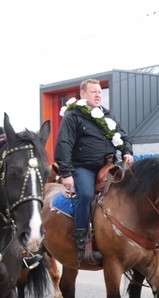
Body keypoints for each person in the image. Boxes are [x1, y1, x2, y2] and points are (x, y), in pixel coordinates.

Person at [55, 78, 134, 264]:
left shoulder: (108, 115)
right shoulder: (73, 116)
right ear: (83, 94)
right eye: (93, 92)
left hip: (109, 166)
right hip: (83, 167)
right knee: (85, 196)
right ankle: (83, 244)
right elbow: (64, 145)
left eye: (100, 92)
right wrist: (66, 173)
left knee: (128, 194)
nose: (98, 95)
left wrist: (127, 152)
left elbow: (123, 137)